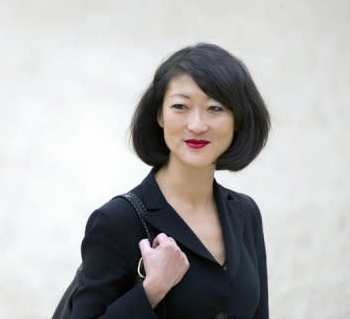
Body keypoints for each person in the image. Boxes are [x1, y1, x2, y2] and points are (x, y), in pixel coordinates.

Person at [69, 43, 270, 318]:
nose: (197, 125)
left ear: (238, 120)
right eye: (180, 106)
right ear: (159, 116)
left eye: (215, 108)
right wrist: (152, 289)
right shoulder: (117, 220)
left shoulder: (245, 213)